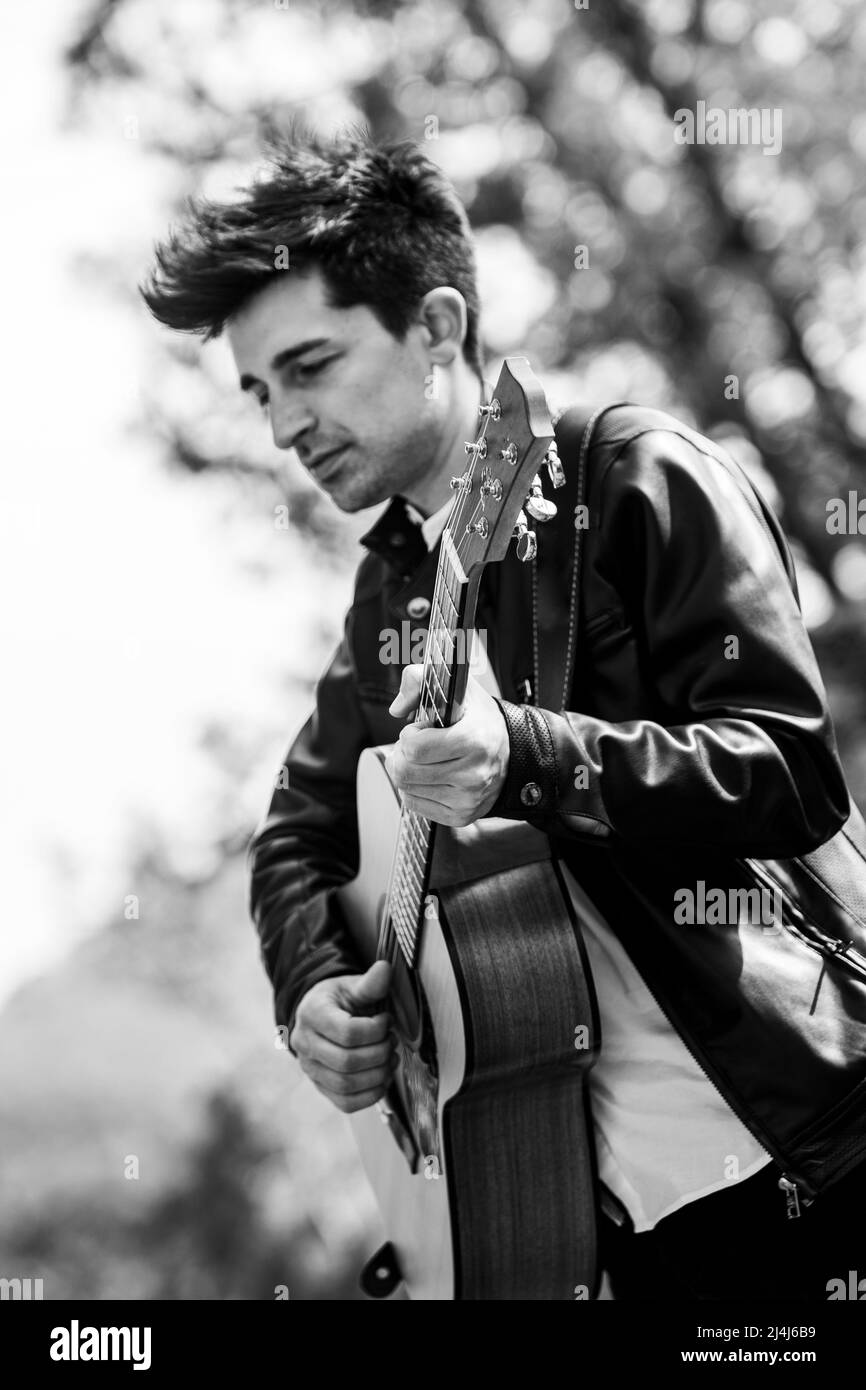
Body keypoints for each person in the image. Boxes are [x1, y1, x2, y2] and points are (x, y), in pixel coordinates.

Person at [142, 129, 866, 1301]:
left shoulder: (630, 475)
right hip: (591, 1235)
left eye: (311, 365)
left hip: (809, 1163)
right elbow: (293, 837)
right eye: (260, 391)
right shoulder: (387, 602)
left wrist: (521, 758)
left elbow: (787, 769)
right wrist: (315, 991)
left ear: (435, 325)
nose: (281, 426)